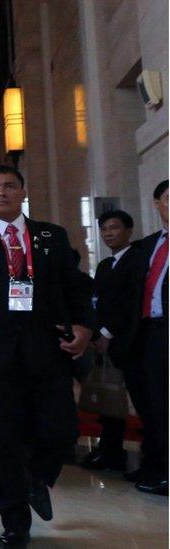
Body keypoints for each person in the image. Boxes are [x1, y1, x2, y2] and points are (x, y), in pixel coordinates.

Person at [0, 165, 93, 548]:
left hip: (47, 351)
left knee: (60, 430)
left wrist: (84, 326)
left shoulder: (51, 236)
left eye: (9, 186)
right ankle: (15, 523)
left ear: (23, 192)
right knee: (3, 441)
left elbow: (75, 287)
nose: (1, 192)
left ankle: (37, 476)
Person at [80, 210, 145, 473]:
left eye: (114, 228)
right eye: (104, 229)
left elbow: (130, 302)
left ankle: (154, 457)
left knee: (142, 400)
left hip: (129, 341)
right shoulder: (106, 265)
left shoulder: (138, 261)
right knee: (109, 399)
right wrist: (94, 331)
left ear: (128, 230)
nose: (108, 233)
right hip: (104, 341)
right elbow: (99, 301)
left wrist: (106, 333)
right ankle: (110, 450)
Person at [133, 179, 168, 496]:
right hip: (151, 333)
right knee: (156, 405)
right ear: (157, 204)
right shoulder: (149, 245)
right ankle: (158, 466)